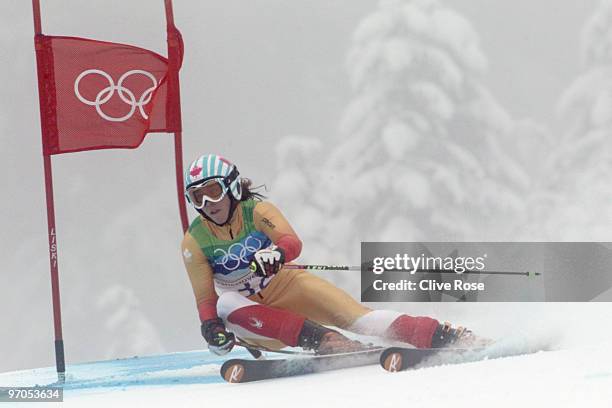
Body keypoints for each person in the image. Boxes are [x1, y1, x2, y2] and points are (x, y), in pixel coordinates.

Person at [181, 154, 475, 356]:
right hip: (255, 321)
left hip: (289, 288)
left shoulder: (257, 212)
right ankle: (325, 340)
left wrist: (277, 254)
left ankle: (443, 335)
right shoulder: (194, 241)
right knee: (224, 304)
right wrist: (212, 330)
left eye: (213, 191)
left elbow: (291, 241)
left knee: (362, 320)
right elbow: (205, 299)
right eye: (197, 196)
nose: (208, 202)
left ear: (231, 186)